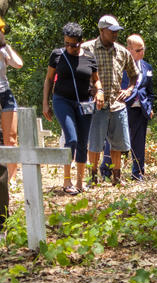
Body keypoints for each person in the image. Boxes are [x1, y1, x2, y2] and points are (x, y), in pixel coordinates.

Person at [42, 22, 102, 194]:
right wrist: (45, 103)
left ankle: (79, 182)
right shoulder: (57, 55)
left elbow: (96, 79)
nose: (69, 47)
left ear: (80, 42)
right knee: (72, 138)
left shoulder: (89, 57)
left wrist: (100, 91)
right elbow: (48, 79)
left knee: (83, 142)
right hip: (62, 101)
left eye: (73, 44)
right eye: (66, 43)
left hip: (84, 103)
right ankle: (66, 180)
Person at [81, 15, 138, 185]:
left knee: (118, 144)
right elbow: (78, 73)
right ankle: (93, 177)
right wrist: (88, 89)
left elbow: (134, 74)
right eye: (111, 31)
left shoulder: (122, 52)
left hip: (117, 104)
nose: (115, 35)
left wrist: (129, 90)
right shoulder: (87, 48)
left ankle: (117, 177)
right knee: (95, 143)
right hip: (96, 104)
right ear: (101, 30)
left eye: (117, 31)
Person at [121, 34, 154, 181]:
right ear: (129, 50)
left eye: (143, 49)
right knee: (116, 140)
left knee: (139, 142)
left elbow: (150, 90)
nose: (142, 52)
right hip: (123, 106)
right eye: (138, 50)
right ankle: (108, 171)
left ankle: (138, 172)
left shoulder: (147, 67)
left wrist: (150, 106)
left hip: (141, 109)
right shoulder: (120, 64)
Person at [0, 18, 23, 183]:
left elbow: (18, 64)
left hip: (5, 94)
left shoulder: (3, 50)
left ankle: (12, 179)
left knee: (11, 138)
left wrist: (5, 46)